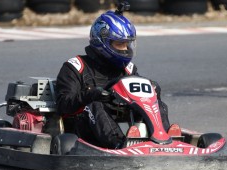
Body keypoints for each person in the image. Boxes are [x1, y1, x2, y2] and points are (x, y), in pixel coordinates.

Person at [55, 4, 173, 149]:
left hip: (125, 121)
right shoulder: (76, 66)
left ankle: (164, 139)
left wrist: (153, 89)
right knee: (95, 104)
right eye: (119, 44)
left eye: (127, 44)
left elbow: (140, 96)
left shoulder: (128, 70)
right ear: (102, 42)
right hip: (84, 128)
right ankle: (118, 144)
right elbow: (62, 105)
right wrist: (90, 95)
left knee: (156, 104)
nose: (125, 49)